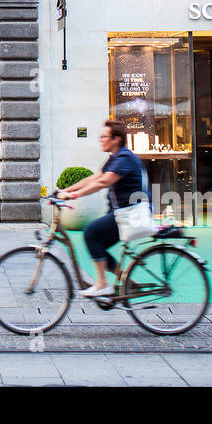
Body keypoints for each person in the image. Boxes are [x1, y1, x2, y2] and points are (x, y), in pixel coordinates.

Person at [57, 119, 148, 298]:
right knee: (98, 248)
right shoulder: (115, 158)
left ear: (116, 139)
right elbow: (92, 178)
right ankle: (127, 280)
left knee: (91, 233)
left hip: (129, 214)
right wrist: (64, 191)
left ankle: (101, 284)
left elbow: (102, 182)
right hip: (121, 213)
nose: (100, 140)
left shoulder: (124, 159)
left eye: (104, 137)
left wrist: (73, 196)